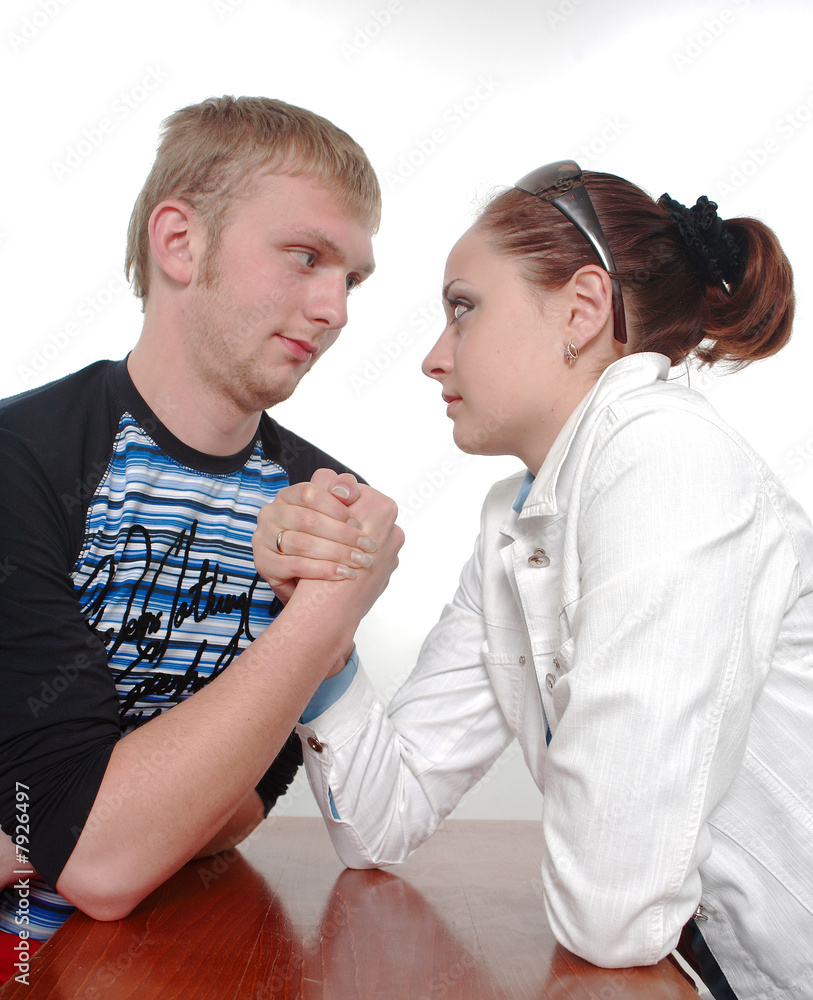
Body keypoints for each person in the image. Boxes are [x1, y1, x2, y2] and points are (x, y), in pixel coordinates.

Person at [253, 161, 813, 1000]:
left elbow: (610, 913)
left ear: (581, 310)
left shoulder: (669, 461)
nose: (433, 358)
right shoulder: (514, 525)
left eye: (463, 308)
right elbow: (379, 822)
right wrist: (320, 614)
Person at [0, 94, 403, 982]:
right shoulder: (21, 458)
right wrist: (327, 612)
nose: (334, 309)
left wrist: (90, 823)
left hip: (169, 951)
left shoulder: (320, 500)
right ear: (179, 242)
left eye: (352, 279)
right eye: (306, 257)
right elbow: (97, 860)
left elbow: (247, 801)